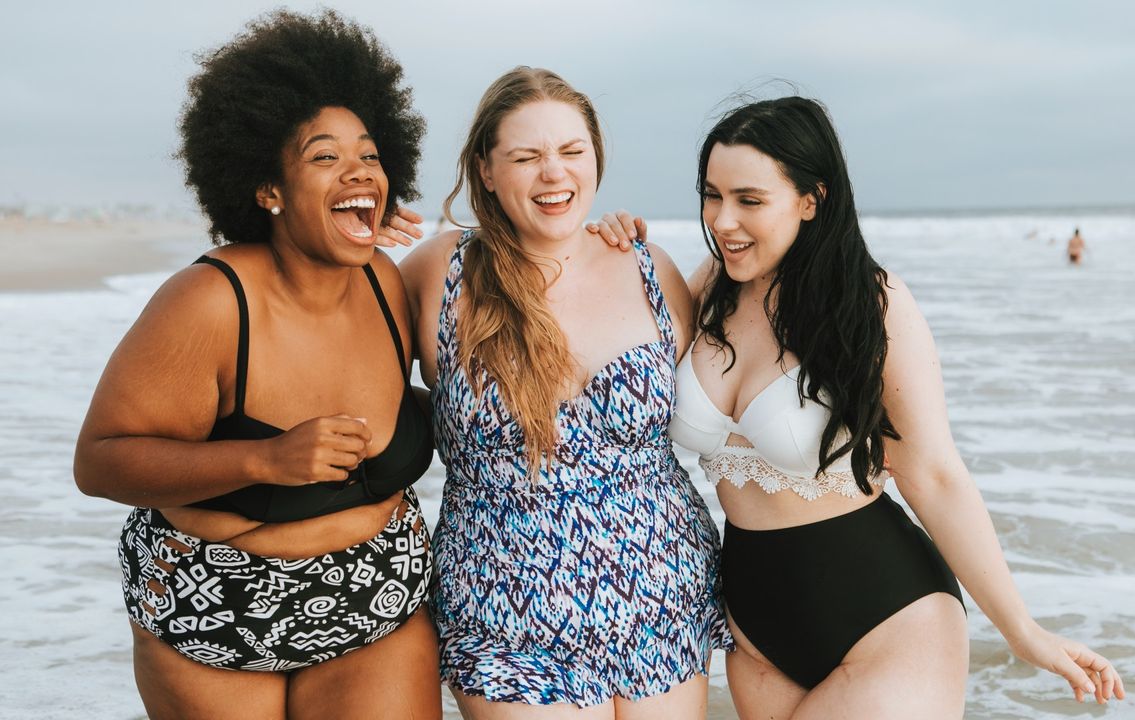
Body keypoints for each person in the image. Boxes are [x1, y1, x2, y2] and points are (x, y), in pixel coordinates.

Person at [593, 97, 1124, 719]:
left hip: (884, 618)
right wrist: (605, 253)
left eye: (750, 200)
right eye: (712, 195)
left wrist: (1023, 631)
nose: (724, 220)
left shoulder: (871, 303)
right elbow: (613, 370)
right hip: (754, 628)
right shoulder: (711, 284)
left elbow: (934, 473)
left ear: (812, 199)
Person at [73, 11, 440, 718]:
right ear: (268, 190)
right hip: (218, 618)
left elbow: (511, 281)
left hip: (376, 609)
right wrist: (264, 460)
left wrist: (604, 234)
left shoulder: (387, 284)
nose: (359, 169)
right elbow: (100, 463)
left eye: (368, 154)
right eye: (324, 157)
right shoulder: (210, 303)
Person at [400, 67, 731, 718]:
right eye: (527, 157)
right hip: (505, 614)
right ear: (486, 171)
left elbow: (734, 379)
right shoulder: (440, 272)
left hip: (662, 595)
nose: (554, 174)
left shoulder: (650, 267)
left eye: (572, 152)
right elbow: (329, 340)